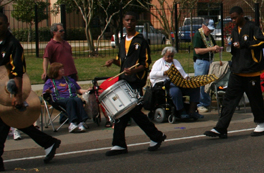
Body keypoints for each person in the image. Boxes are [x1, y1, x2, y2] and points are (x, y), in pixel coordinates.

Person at [0, 13, 61, 173]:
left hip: (11, 92)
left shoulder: (13, 45)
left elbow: (18, 72)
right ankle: (48, 143)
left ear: (7, 24)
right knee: (15, 121)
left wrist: (18, 96)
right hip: (0, 91)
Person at [103, 12, 166, 156]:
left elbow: (145, 63)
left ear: (135, 22)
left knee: (132, 112)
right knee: (123, 113)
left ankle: (154, 137)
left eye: (132, 20)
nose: (129, 22)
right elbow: (123, 61)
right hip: (123, 82)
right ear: (123, 22)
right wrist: (113, 61)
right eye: (127, 20)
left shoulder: (140, 40)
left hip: (135, 81)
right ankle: (122, 143)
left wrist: (133, 71)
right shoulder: (122, 40)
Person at [204, 6, 264, 138]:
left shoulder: (252, 27)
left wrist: (245, 44)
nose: (233, 20)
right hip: (237, 71)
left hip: (251, 71)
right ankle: (221, 128)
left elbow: (263, 41)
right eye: (231, 18)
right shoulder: (234, 30)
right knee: (229, 100)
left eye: (235, 17)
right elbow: (235, 47)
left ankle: (261, 124)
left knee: (255, 99)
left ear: (242, 15)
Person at [149, 46, 201, 121]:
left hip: (180, 83)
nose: (170, 58)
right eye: (168, 56)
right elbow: (152, 75)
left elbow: (183, 73)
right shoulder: (159, 63)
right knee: (175, 90)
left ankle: (192, 111)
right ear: (164, 55)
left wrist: (187, 77)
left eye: (172, 56)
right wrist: (164, 73)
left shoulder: (175, 62)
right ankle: (181, 111)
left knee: (195, 87)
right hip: (166, 85)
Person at [43, 63, 88, 133]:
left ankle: (80, 122)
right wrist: (48, 92)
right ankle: (72, 123)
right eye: (60, 69)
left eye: (62, 68)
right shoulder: (49, 82)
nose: (63, 70)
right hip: (58, 100)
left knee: (78, 99)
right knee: (70, 101)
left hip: (71, 98)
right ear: (55, 71)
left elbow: (78, 90)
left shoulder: (69, 79)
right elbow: (45, 94)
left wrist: (87, 91)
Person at [192, 19, 223, 113]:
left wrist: (216, 49)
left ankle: (206, 102)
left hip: (209, 61)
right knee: (201, 83)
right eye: (209, 29)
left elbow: (212, 47)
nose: (210, 31)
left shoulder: (209, 36)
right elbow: (197, 50)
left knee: (207, 83)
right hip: (201, 62)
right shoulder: (198, 35)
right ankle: (200, 104)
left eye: (212, 29)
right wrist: (211, 49)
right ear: (203, 26)